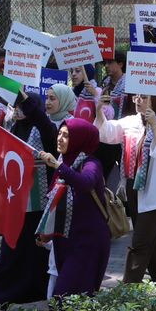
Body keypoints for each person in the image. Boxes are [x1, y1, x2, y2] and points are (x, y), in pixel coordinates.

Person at [0, 91, 58, 305]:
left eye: (23, 106)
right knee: (11, 251)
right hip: (16, 201)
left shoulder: (45, 129)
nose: (19, 110)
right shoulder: (14, 129)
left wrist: (24, 99)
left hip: (38, 203)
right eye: (16, 106)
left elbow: (41, 121)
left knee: (35, 253)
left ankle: (33, 291)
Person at [34, 114, 113, 298]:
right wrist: (47, 234)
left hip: (88, 242)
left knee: (65, 297)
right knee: (72, 300)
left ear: (79, 139)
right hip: (66, 242)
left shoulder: (91, 163)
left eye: (67, 135)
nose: (60, 139)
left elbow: (85, 183)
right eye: (59, 134)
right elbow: (55, 203)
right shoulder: (64, 162)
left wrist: (58, 166)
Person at [108, 93, 156, 283]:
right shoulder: (131, 122)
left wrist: (154, 125)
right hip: (133, 190)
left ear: (155, 100)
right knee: (153, 243)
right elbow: (107, 132)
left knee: (139, 244)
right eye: (136, 96)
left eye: (144, 97)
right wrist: (98, 111)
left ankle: (127, 293)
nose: (138, 100)